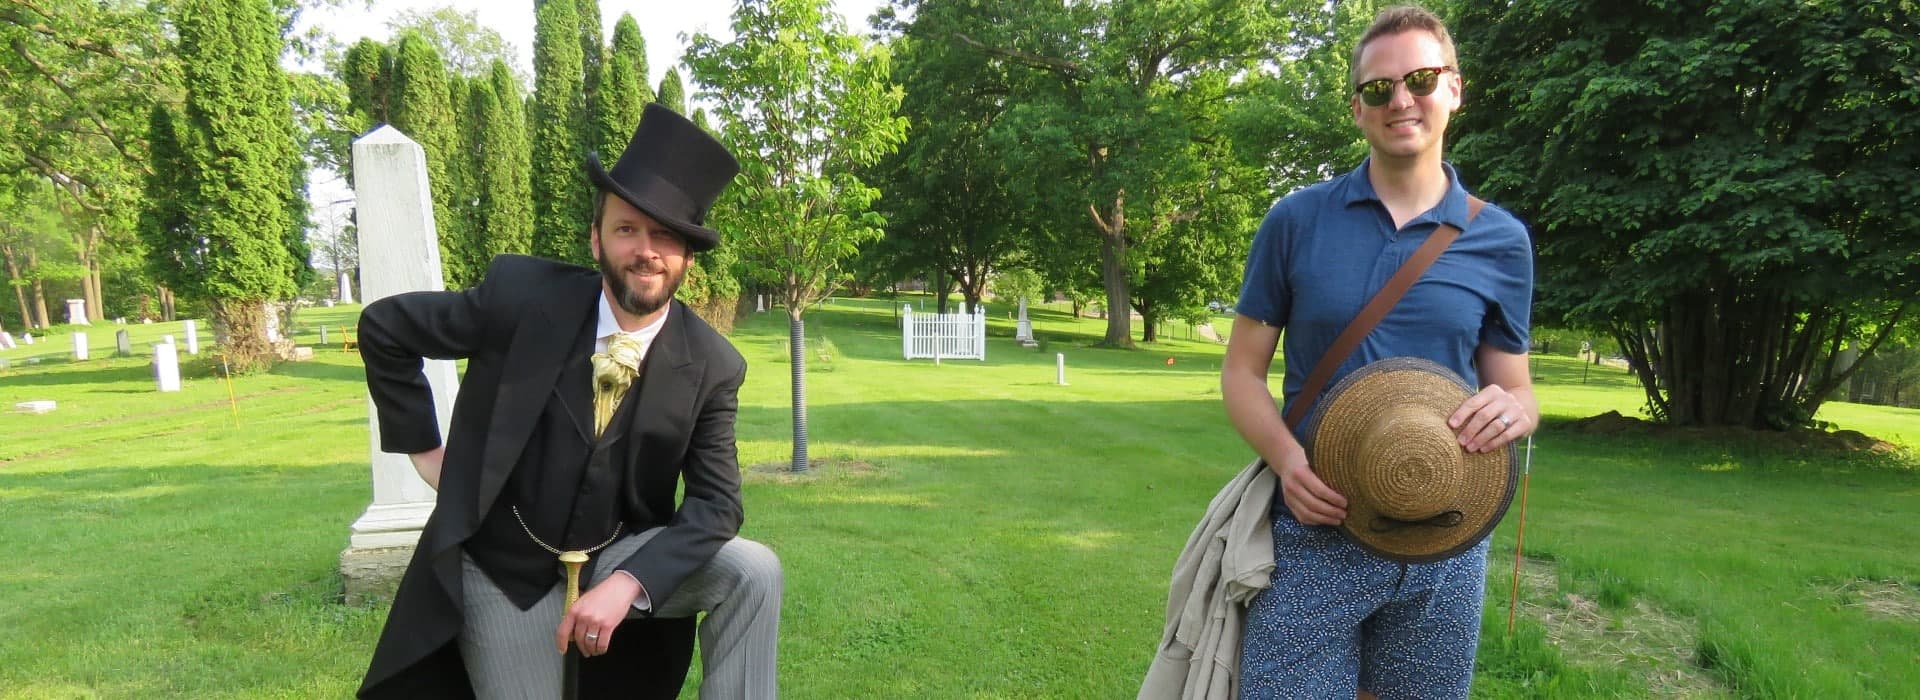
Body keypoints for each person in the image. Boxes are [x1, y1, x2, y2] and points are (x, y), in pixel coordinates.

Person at [355, 103, 782, 699]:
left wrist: (630, 581)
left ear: (687, 257)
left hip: (618, 556)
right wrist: (426, 452)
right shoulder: (522, 298)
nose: (646, 250)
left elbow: (716, 506)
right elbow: (385, 327)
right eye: (627, 228)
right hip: (501, 563)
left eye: (665, 236)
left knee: (755, 570)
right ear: (596, 239)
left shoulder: (713, 364)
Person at [1219, 6, 1537, 698]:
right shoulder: (1296, 220)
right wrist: (1288, 462)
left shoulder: (1501, 241)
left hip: (1445, 538)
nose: (1401, 100)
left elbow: (1516, 387)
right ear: (1357, 108)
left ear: (1455, 89)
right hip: (1315, 532)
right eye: (1378, 87)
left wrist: (1514, 414)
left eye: (1421, 79)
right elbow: (1241, 372)